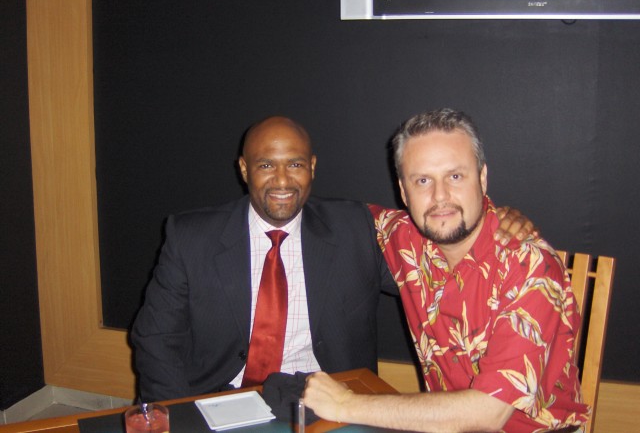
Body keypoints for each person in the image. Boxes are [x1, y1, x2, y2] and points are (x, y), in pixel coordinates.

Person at [131, 115, 535, 402]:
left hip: (333, 400)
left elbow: (438, 256)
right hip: (224, 398)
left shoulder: (356, 228)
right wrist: (176, 417)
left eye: (295, 164)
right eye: (266, 165)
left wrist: (492, 222)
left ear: (312, 167)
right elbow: (155, 340)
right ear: (244, 169)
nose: (282, 180)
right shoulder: (191, 238)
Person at [303, 109, 588, 432]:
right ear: (403, 191)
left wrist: (345, 404)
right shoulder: (406, 239)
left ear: (482, 178)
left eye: (455, 177)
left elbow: (487, 413)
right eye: (423, 181)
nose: (440, 197)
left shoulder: (530, 266)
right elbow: (336, 215)